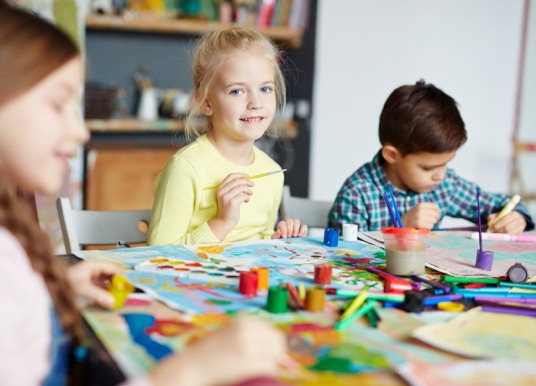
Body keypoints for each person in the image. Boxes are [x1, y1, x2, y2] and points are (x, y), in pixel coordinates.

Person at [0, 3, 288, 386]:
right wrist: (192, 371)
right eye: (56, 104)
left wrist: (55, 291)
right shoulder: (188, 166)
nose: (82, 131)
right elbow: (163, 251)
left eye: (265, 88)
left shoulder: (10, 243)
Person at [148, 27, 307, 246]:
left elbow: (257, 243)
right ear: (206, 103)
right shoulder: (185, 168)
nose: (256, 103)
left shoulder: (272, 173)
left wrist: (278, 241)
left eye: (265, 89)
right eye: (237, 91)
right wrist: (222, 222)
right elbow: (159, 253)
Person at [329, 80, 534, 233]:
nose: (440, 176)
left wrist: (517, 217)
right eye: (428, 168)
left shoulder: (444, 186)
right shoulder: (357, 194)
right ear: (392, 155)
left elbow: (507, 202)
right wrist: (399, 228)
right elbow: (343, 257)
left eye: (445, 165)